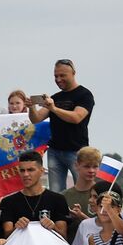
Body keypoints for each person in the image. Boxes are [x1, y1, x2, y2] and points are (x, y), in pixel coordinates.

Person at [28, 59, 95, 192]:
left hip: (77, 151)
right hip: (55, 151)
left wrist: (53, 108)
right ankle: (59, 213)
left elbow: (76, 117)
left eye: (62, 75)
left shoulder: (85, 95)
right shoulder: (55, 97)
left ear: (73, 73)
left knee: (83, 189)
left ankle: (81, 213)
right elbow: (36, 119)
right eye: (56, 76)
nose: (58, 79)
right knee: (56, 192)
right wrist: (31, 107)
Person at [0, 151, 69, 239]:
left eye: (30, 170)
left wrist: (53, 227)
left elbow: (64, 238)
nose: (26, 174)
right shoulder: (8, 202)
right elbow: (5, 237)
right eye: (22, 170)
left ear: (42, 171)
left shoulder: (58, 199)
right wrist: (16, 228)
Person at [63, 147, 101, 238]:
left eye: (95, 166)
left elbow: (104, 227)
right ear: (76, 166)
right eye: (87, 166)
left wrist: (81, 216)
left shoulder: (103, 195)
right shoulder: (63, 196)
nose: (91, 171)